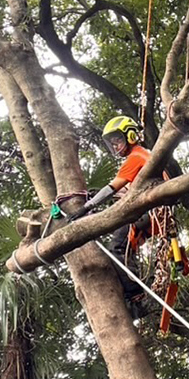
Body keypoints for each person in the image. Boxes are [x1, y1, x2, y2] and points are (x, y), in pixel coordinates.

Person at [71, 116, 161, 317]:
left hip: (146, 212)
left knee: (117, 249)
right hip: (154, 212)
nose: (115, 146)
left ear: (130, 136)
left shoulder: (135, 156)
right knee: (128, 247)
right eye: (112, 143)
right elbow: (129, 190)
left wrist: (87, 207)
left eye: (118, 140)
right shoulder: (146, 156)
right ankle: (141, 285)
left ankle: (137, 297)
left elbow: (114, 186)